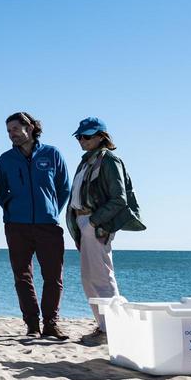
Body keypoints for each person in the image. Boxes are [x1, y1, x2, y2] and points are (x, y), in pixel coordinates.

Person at [65, 117, 145, 344]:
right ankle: (104, 327)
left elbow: (119, 199)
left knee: (102, 277)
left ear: (102, 136)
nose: (82, 140)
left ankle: (113, 329)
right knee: (89, 278)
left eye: (87, 136)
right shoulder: (86, 161)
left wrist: (94, 223)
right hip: (84, 223)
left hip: (95, 223)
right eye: (79, 136)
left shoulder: (109, 160)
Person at [0, 111, 72, 339]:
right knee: (22, 276)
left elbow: (64, 187)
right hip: (16, 225)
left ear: (29, 128)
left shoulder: (52, 154)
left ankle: (51, 323)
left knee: (53, 276)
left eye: (15, 130)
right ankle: (31, 324)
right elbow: (0, 191)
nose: (11, 135)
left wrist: (51, 211)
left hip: (48, 226)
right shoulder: (6, 159)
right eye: (8, 131)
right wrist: (10, 208)